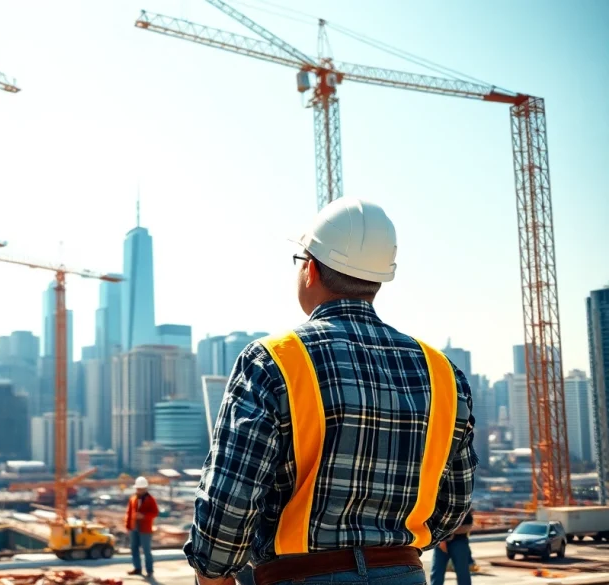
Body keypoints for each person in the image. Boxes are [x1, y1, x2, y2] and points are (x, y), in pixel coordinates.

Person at [184, 198, 477, 585]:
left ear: (311, 270)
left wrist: (213, 573)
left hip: (297, 575)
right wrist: (389, 552)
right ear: (377, 279)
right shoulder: (444, 374)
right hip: (403, 573)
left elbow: (232, 495)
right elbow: (453, 502)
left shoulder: (273, 361)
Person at [125, 476, 159, 578]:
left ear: (145, 489)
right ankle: (137, 568)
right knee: (134, 548)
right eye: (137, 489)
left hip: (145, 529)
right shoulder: (133, 498)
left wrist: (143, 516)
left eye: (140, 489)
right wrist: (128, 526)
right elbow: (129, 513)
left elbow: (155, 513)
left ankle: (149, 570)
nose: (138, 490)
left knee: (146, 550)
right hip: (134, 528)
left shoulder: (151, 499)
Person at [432, 509, 475, 585]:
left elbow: (468, 523)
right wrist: (441, 539)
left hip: (459, 540)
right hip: (439, 540)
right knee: (437, 572)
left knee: (462, 572)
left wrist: (448, 534)